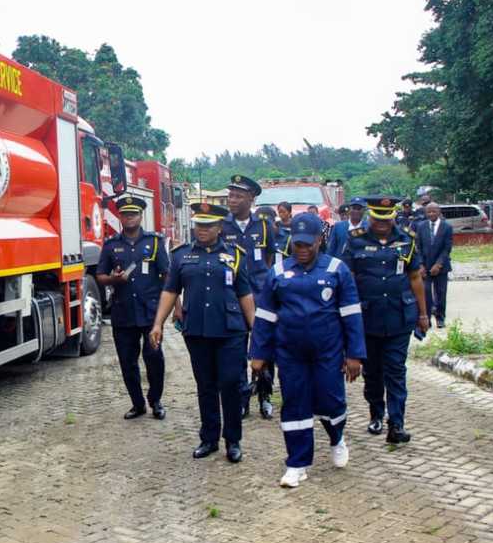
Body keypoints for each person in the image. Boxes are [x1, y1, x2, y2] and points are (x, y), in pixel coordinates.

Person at [250, 212, 366, 488]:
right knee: (294, 404)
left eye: (307, 244)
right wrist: (258, 354)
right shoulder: (278, 272)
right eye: (297, 244)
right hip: (290, 354)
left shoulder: (337, 270)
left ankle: (336, 437)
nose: (301, 250)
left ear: (319, 240)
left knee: (330, 401)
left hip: (328, 352)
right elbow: (266, 315)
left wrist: (354, 354)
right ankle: (297, 463)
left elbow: (351, 315)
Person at [151, 201, 255, 463]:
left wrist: (257, 329)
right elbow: (170, 291)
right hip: (197, 330)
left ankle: (233, 439)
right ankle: (209, 438)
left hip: (231, 330)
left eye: (208, 226)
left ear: (219, 227)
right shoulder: (181, 255)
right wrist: (157, 323)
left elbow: (245, 294)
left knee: (231, 383)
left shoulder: (236, 254)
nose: (202, 230)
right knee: (205, 385)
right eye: (199, 225)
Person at [341, 196, 429, 443]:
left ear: (393, 217)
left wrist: (423, 314)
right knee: (373, 372)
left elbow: (415, 278)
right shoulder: (355, 240)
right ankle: (376, 414)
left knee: (396, 371)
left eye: (386, 218)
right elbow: (346, 277)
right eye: (377, 218)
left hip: (399, 317)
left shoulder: (406, 240)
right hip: (366, 318)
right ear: (370, 216)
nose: (381, 223)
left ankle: (397, 423)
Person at [97, 195, 169, 420]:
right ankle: (137, 404)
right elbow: (99, 276)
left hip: (150, 312)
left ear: (140, 216)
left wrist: (172, 306)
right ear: (120, 217)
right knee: (128, 362)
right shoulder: (111, 245)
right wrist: (113, 280)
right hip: (124, 312)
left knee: (154, 358)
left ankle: (155, 400)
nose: (129, 218)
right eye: (125, 214)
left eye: (133, 214)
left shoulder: (155, 242)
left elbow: (167, 276)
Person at [221, 175, 277, 419]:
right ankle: (242, 398)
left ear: (251, 199)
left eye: (238, 196)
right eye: (230, 195)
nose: (232, 200)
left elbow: (269, 259)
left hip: (261, 297)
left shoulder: (264, 226)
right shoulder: (222, 226)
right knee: (236, 349)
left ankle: (265, 395)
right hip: (233, 297)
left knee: (264, 346)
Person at [415, 202, 453, 328]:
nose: (431, 214)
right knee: (425, 293)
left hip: (440, 267)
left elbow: (447, 248)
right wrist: (420, 264)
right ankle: (427, 320)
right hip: (424, 267)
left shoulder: (447, 227)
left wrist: (438, 264)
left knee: (441, 293)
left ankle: (440, 318)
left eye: (434, 211)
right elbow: (418, 247)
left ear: (439, 212)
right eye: (429, 212)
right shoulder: (421, 226)